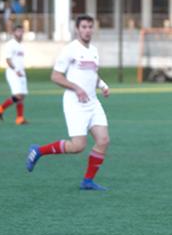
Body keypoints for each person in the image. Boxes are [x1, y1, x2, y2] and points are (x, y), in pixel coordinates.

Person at [25, 15, 111, 191]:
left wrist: (102, 85)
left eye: (90, 27)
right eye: (84, 27)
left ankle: (87, 181)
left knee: (103, 140)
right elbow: (55, 76)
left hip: (92, 102)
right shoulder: (69, 50)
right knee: (78, 146)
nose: (87, 30)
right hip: (75, 103)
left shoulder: (94, 50)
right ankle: (39, 151)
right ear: (77, 29)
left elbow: (93, 75)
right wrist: (76, 88)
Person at [0, 23, 28, 125]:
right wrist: (16, 70)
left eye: (22, 31)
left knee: (22, 96)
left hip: (21, 72)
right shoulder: (10, 44)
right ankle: (0, 108)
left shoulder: (21, 46)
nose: (20, 33)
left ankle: (20, 118)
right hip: (13, 72)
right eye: (18, 31)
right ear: (13, 33)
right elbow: (8, 60)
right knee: (17, 95)